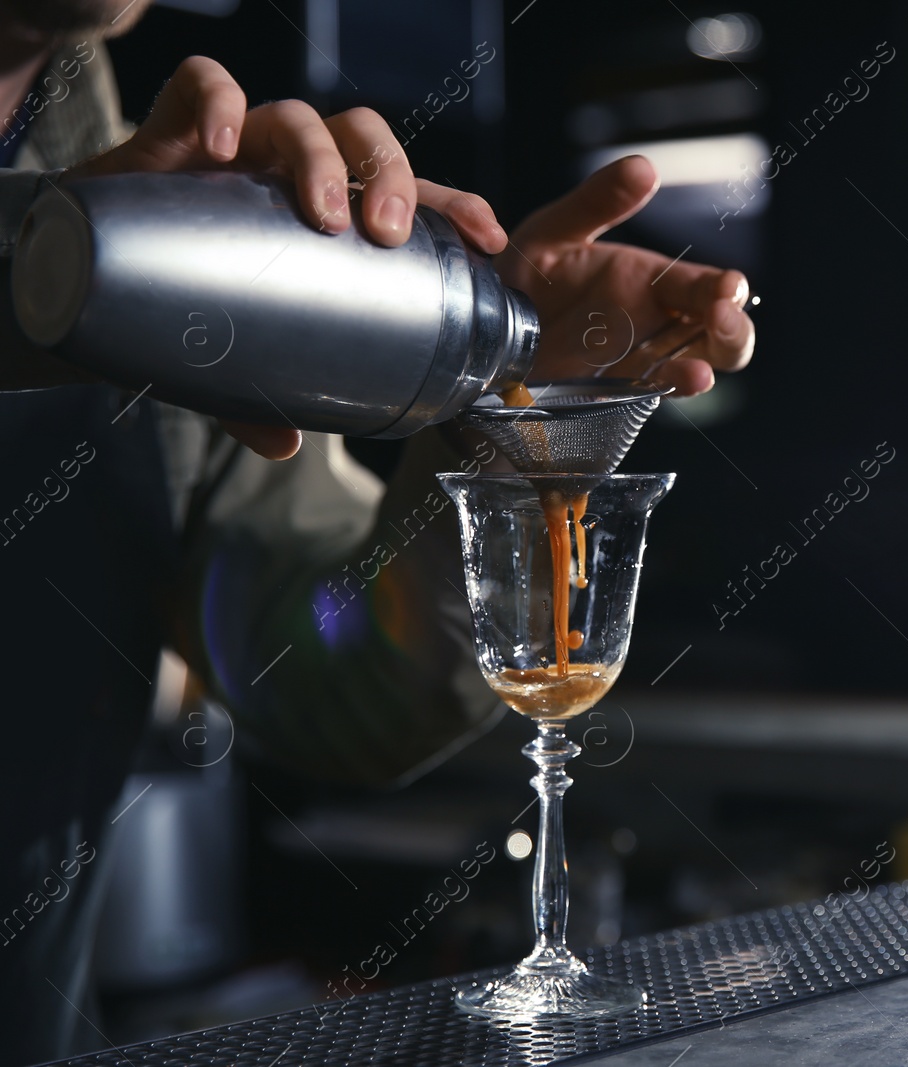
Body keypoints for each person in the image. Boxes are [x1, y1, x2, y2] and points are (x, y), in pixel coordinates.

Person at [0, 1, 755, 1061]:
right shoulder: (140, 198)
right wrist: (56, 262)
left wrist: (508, 414)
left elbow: (331, 683)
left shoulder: (139, 162)